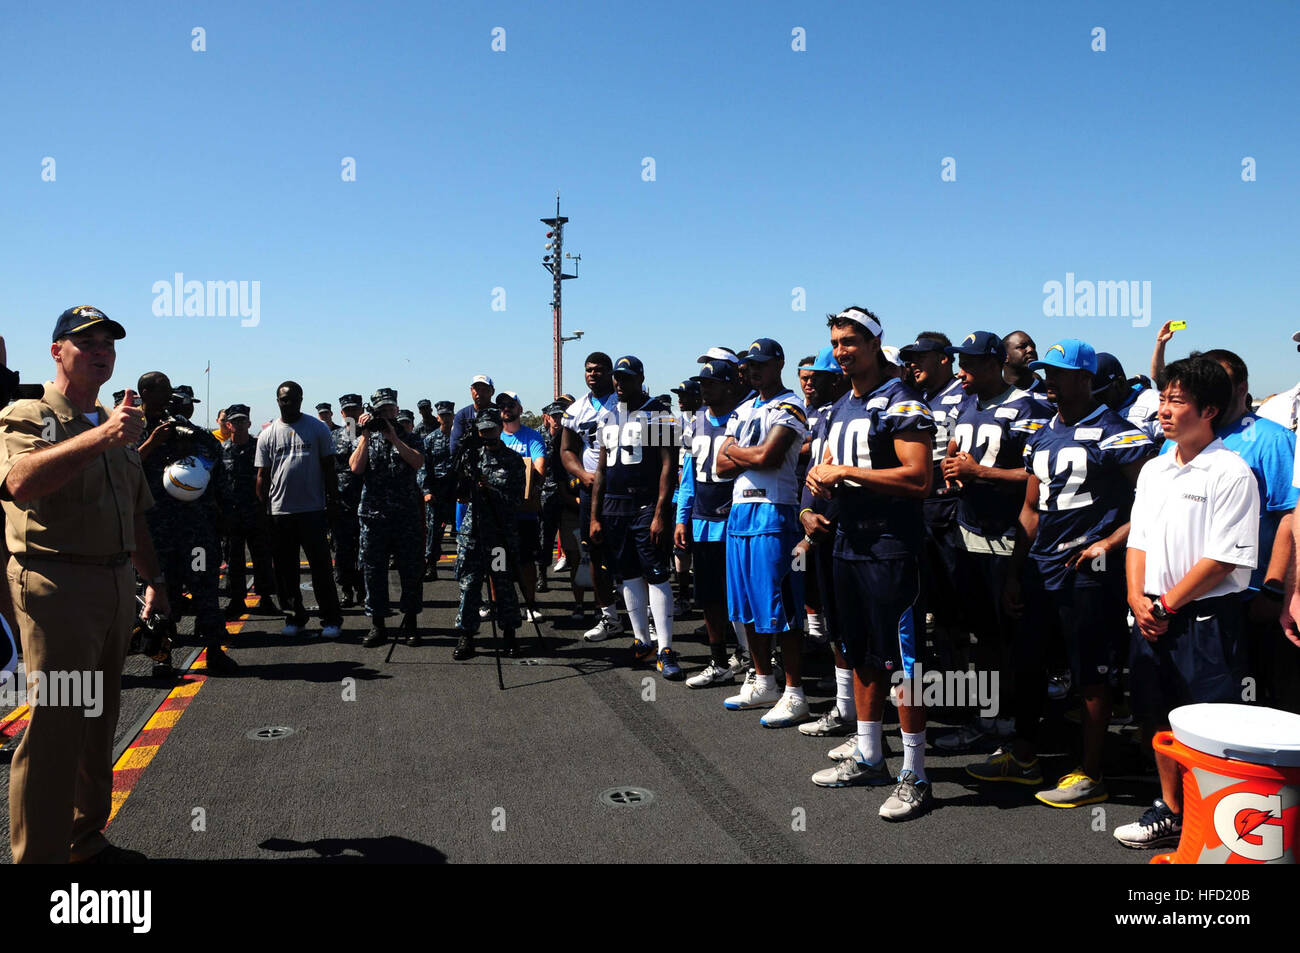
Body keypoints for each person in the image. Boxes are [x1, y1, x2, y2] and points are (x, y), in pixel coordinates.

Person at [0, 305, 168, 863]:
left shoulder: (115, 421)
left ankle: (84, 837)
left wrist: (155, 582)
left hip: (115, 583)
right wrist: (99, 439)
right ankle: (39, 858)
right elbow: (21, 481)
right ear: (56, 353)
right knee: (55, 731)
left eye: (108, 344)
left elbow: (137, 513)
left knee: (98, 720)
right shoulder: (30, 413)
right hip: (58, 585)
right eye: (86, 343)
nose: (101, 351)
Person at [968, 339, 1153, 807]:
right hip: (1039, 567)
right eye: (1045, 371)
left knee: (1089, 672)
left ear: (1085, 378)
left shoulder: (1119, 433)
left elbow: (1153, 502)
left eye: (1060, 372)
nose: (1049, 379)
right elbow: (1030, 509)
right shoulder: (1041, 433)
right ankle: (1025, 758)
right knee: (1026, 664)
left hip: (1089, 571)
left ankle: (1091, 772)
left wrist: (1109, 542)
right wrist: (1014, 569)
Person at [1113, 357, 1258, 849]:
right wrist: (1137, 599)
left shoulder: (1231, 472)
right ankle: (1170, 810)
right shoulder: (1154, 469)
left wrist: (1166, 606)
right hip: (1151, 614)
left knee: (1209, 722)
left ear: (1210, 409)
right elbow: (1140, 542)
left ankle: (1216, 826)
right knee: (1158, 716)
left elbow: (1222, 559)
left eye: (1177, 401)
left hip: (1207, 618)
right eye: (1163, 399)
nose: (1164, 410)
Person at [802, 308, 937, 821]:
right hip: (845, 544)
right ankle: (869, 754)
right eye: (835, 342)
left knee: (903, 664)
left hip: (890, 548)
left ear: (876, 342)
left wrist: (847, 471)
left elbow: (919, 478)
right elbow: (826, 473)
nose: (841, 350)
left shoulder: (902, 401)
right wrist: (812, 501)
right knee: (858, 652)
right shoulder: (838, 407)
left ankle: (916, 773)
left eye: (851, 341)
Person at [936, 331, 1053, 751]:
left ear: (993, 363)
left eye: (969, 362)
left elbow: (1041, 475)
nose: (960, 370)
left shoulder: (1029, 408)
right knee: (981, 635)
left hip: (1009, 538)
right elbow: (958, 451)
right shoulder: (967, 405)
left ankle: (1018, 728)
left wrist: (981, 474)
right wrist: (953, 469)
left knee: (1013, 637)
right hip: (967, 533)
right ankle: (988, 719)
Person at [1170, 349, 1298, 712]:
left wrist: (1273, 590)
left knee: (1252, 701)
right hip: (1187, 597)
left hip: (1251, 598)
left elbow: (1290, 516)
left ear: (1242, 388)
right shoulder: (1177, 440)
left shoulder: (1272, 439)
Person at [715, 337, 810, 727]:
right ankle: (763, 680)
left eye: (761, 363)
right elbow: (719, 467)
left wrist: (738, 452)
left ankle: (795, 691)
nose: (754, 370)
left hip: (775, 511)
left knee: (781, 604)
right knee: (747, 604)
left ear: (779, 363)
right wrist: (743, 455)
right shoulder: (741, 409)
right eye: (749, 365)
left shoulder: (790, 405)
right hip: (740, 512)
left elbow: (769, 458)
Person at [136, 370, 234, 673]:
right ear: (145, 394)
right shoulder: (134, 432)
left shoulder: (195, 435)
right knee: (163, 594)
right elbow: (120, 469)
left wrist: (225, 518)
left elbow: (218, 475)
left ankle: (215, 651)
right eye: (163, 391)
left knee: (205, 589)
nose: (169, 398)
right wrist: (153, 443)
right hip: (157, 532)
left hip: (196, 530)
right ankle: (162, 659)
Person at [590, 356, 681, 678]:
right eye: (616, 378)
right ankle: (642, 641)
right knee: (627, 575)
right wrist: (594, 515)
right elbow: (600, 469)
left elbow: (669, 466)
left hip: (644, 504)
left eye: (626, 378)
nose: (619, 383)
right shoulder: (609, 415)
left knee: (655, 573)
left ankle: (666, 647)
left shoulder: (658, 413)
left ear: (640, 379)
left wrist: (660, 511)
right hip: (614, 506)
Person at [678, 358, 749, 687]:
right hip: (703, 520)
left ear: (729, 384)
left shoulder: (742, 420)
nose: (704, 389)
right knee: (710, 596)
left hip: (734, 520)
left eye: (711, 383)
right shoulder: (695, 422)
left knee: (741, 595)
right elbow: (689, 477)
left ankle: (753, 661)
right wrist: (683, 518)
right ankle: (718, 659)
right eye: (702, 384)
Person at [899, 333, 966, 675]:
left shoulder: (963, 395)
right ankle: (934, 681)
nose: (913, 364)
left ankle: (961, 693)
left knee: (951, 605)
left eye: (920, 357)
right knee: (919, 600)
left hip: (949, 511)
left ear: (944, 358)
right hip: (918, 510)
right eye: (909, 358)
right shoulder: (915, 397)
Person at [255, 381, 343, 639]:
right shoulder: (268, 434)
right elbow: (262, 475)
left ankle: (331, 619)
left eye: (293, 399)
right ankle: (294, 617)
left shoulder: (317, 429)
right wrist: (264, 510)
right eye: (284, 400)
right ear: (277, 400)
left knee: (321, 569)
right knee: (285, 572)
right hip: (280, 513)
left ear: (301, 400)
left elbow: (329, 468)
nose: (289, 404)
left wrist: (333, 502)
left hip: (313, 511)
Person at [352, 388, 425, 647]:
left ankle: (411, 625)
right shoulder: (365, 438)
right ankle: (377, 625)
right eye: (381, 411)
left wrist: (394, 438)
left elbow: (417, 462)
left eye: (390, 409)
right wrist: (365, 436)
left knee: (410, 571)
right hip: (373, 517)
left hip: (405, 515)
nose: (387, 414)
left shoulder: (410, 437)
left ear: (397, 409)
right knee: (373, 572)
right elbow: (355, 468)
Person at [453, 407, 526, 660]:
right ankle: (466, 636)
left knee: (503, 584)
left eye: (491, 430)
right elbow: (459, 492)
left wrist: (489, 489)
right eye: (482, 431)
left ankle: (509, 635)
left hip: (499, 535)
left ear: (500, 429)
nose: (487, 435)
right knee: (470, 585)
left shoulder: (513, 460)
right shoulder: (471, 457)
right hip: (473, 533)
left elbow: (517, 499)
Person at [560, 353, 622, 640]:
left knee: (630, 554)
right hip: (591, 489)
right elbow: (566, 450)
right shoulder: (575, 410)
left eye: (599, 370)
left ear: (611, 372)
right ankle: (608, 615)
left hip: (624, 488)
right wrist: (582, 475)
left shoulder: (626, 403)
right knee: (594, 553)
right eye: (588, 370)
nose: (593, 374)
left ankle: (646, 616)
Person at [220, 403, 278, 619]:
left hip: (256, 511)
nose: (239, 424)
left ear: (249, 423)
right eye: (235, 421)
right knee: (234, 560)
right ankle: (236, 600)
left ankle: (266, 598)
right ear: (228, 424)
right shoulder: (222, 450)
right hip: (232, 514)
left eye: (243, 420)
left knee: (262, 557)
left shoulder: (259, 447)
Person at [331, 394, 366, 607]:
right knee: (342, 549)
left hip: (365, 501)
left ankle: (363, 589)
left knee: (365, 549)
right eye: (347, 410)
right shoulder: (332, 437)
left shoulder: (372, 434)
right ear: (341, 413)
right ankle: (346, 590)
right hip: (341, 502)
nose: (351, 414)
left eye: (355, 409)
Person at [421, 400, 457, 580]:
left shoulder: (460, 437)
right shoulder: (430, 439)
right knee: (434, 532)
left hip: (457, 490)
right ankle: (430, 565)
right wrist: (426, 490)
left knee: (464, 531)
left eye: (448, 415)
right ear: (438, 417)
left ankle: (464, 565)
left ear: (453, 416)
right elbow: (423, 467)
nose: (446, 418)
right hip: (437, 490)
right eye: (442, 415)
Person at [1094, 352, 1162, 443]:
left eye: (1099, 395)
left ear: (1120, 383)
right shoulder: (1089, 414)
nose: (1093, 401)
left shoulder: (1156, 403)